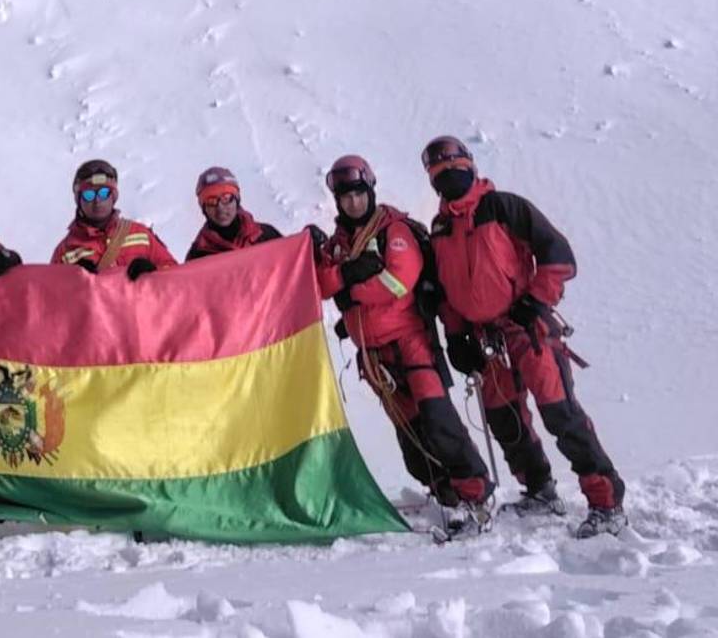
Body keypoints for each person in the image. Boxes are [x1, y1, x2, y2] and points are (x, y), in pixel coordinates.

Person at [422, 135, 626, 538]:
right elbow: (447, 290)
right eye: (440, 173)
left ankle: (606, 502)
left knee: (560, 413)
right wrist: (457, 335)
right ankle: (540, 490)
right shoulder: (441, 227)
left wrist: (534, 302)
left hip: (527, 330)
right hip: (485, 339)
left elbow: (558, 255)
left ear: (471, 167)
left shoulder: (505, 207)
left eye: (456, 168)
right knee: (506, 419)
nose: (450, 177)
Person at [314, 155, 494, 534]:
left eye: (359, 194)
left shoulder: (393, 231)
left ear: (371, 191)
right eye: (346, 197)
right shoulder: (338, 245)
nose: (353, 203)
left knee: (439, 422)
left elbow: (398, 282)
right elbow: (322, 284)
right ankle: (446, 495)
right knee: (411, 439)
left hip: (411, 344)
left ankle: (474, 495)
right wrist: (348, 273)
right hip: (375, 356)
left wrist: (350, 288)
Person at [51, 159, 177, 278]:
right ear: (79, 201)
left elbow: (174, 274)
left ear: (113, 197)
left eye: (104, 193)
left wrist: (154, 272)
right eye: (88, 195)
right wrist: (72, 281)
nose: (97, 200)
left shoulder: (141, 234)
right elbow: (51, 295)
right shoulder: (65, 252)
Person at [184, 167, 281, 260]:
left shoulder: (267, 235)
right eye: (211, 202)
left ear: (237, 200)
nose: (220, 207)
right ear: (204, 208)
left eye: (226, 198)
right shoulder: (198, 256)